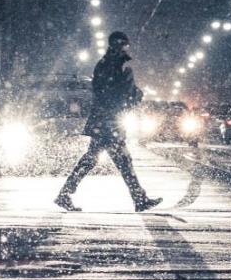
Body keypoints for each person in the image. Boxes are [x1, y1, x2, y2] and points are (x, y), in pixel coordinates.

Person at [55, 31, 162, 212]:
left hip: (105, 120)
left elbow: (109, 91)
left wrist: (129, 92)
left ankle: (65, 194)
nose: (126, 48)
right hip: (108, 121)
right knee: (120, 160)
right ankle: (139, 199)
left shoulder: (109, 64)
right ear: (119, 45)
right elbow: (112, 93)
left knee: (97, 160)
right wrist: (133, 94)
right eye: (125, 45)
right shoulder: (112, 65)